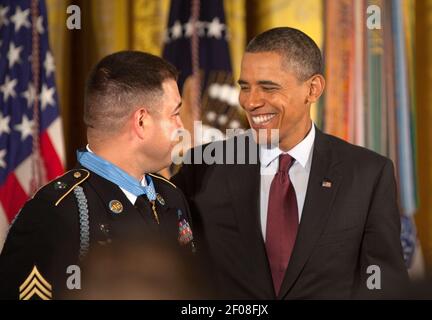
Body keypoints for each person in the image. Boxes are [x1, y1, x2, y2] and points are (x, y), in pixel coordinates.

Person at [172, 27, 409, 299]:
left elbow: (384, 284)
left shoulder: (367, 174)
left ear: (313, 89)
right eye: (245, 87)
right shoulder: (203, 166)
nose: (250, 101)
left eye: (268, 87)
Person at [0, 51, 196, 299]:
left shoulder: (171, 196)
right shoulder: (53, 213)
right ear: (142, 121)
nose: (182, 128)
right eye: (175, 114)